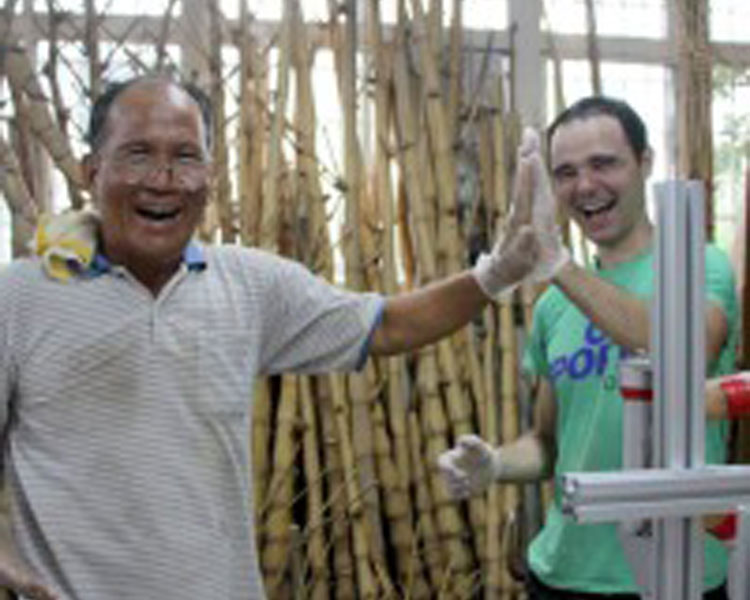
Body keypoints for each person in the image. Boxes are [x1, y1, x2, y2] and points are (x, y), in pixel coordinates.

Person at [0, 74, 546, 599]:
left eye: (186, 157)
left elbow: (388, 324)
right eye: (138, 154)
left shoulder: (250, 284)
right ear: (91, 170)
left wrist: (498, 272)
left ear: (211, 177)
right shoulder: (20, 297)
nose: (163, 179)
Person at [438, 96, 738, 599]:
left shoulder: (699, 264)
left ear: (644, 163)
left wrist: (558, 265)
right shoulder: (555, 307)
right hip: (561, 576)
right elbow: (551, 443)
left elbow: (686, 347)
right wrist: (496, 464)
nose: (584, 186)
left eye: (604, 164)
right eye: (566, 172)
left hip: (678, 574)